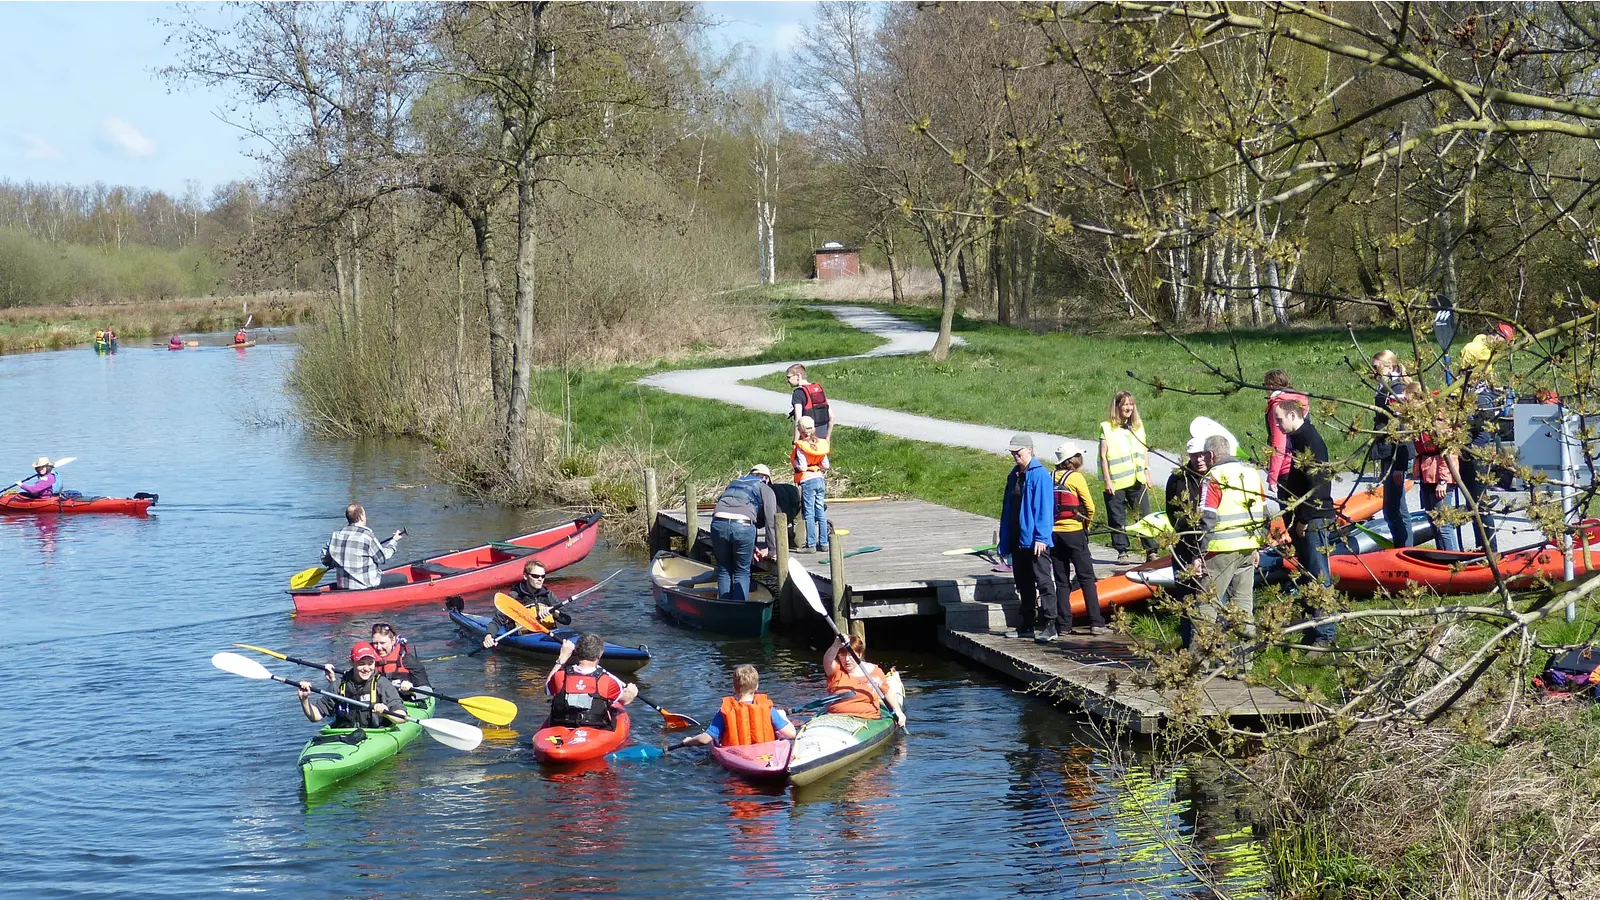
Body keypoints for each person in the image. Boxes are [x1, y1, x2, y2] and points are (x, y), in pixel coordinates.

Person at [1272, 401, 1337, 647]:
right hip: (1304, 516)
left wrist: (1304, 518)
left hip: (1314, 517)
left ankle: (1326, 635)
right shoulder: (1298, 438)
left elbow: (1318, 484)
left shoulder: (1309, 440)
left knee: (1319, 576)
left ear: (1292, 414)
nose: (1277, 424)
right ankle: (1312, 629)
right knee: (1308, 574)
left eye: (1280, 419)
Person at [1195, 435, 1270, 641]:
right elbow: (1264, 515)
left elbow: (1206, 518)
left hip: (1220, 551)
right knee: (1244, 606)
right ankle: (1244, 665)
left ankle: (1198, 666)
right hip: (1248, 548)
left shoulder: (1214, 477)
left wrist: (1199, 554)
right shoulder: (1252, 473)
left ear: (1210, 455)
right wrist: (1257, 547)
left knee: (1207, 606)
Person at [1000, 434, 1056, 640]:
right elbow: (1008, 508)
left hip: (1035, 540)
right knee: (1023, 582)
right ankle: (1026, 623)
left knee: (1042, 580)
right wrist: (1004, 540)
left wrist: (1042, 537)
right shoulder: (1013, 475)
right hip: (1017, 537)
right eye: (1013, 452)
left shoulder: (1040, 475)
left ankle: (1050, 624)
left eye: (1019, 451)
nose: (1015, 455)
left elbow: (1044, 508)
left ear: (1030, 450)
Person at [1049, 444, 1105, 636]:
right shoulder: (1076, 478)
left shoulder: (1049, 476)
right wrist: (1085, 527)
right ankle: (1096, 622)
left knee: (1061, 581)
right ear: (1074, 459)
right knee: (1086, 577)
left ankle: (1063, 625)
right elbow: (1090, 507)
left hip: (1054, 534)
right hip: (1074, 532)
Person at [676, 664, 797, 749]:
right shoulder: (768, 709)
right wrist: (783, 716)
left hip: (736, 755)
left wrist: (688, 742)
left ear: (734, 688)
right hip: (765, 754)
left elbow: (705, 739)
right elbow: (791, 734)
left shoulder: (725, 712)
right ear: (757, 687)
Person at [1100, 391, 1157, 563]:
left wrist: (1147, 472)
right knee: (1117, 517)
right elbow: (1103, 456)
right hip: (1116, 481)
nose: (1129, 408)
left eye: (1131, 404)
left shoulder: (1138, 427)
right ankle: (1122, 551)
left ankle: (1151, 551)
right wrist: (1107, 480)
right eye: (1125, 404)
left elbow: (1144, 450)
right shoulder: (1106, 427)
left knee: (1144, 516)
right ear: (1117, 406)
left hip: (1137, 479)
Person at [710, 465, 780, 604]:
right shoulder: (765, 488)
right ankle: (738, 611)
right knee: (742, 571)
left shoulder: (734, 483)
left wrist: (751, 545)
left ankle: (725, 609)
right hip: (743, 526)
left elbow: (723, 503)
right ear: (766, 478)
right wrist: (772, 550)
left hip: (718, 523)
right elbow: (771, 521)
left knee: (724, 569)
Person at [297, 642, 408, 728]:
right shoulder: (338, 685)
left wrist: (386, 713)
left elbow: (402, 717)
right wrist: (304, 699)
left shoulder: (382, 684)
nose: (367, 668)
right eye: (361, 664)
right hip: (346, 735)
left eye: (370, 663)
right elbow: (315, 717)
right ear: (352, 663)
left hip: (376, 733)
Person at [1404, 382, 1459, 551]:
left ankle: (1454, 559)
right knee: (1434, 522)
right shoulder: (1420, 421)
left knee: (1443, 524)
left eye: (1409, 401)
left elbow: (1448, 452)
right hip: (1427, 474)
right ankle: (1442, 560)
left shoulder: (1438, 421)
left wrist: (1443, 480)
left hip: (1440, 476)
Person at [1168, 436, 1211, 650]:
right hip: (1185, 546)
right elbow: (1175, 515)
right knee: (1186, 598)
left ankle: (1208, 647)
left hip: (1210, 548)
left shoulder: (1216, 477)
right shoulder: (1178, 479)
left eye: (1203, 455)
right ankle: (1188, 645)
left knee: (1208, 600)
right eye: (1195, 456)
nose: (1199, 460)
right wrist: (1192, 549)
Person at [545, 633, 638, 730]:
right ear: (600, 654)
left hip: (561, 726)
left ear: (576, 652)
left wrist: (562, 657)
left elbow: (547, 688)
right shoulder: (606, 681)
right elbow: (625, 700)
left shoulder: (560, 676)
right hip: (595, 729)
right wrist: (631, 691)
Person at [1370, 351, 1414, 549]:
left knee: (1396, 507)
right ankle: (1400, 546)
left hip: (1395, 453)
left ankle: (1405, 548)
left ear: (1389, 367)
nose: (1373, 371)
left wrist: (1399, 466)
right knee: (1391, 507)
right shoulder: (1384, 388)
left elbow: (1404, 429)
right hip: (1388, 451)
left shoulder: (1397, 390)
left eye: (1376, 367)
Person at [823, 634, 906, 727]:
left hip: (867, 719)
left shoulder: (874, 672)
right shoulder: (835, 670)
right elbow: (827, 661)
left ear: (859, 654)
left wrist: (898, 712)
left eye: (851, 655)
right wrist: (836, 645)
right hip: (837, 718)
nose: (847, 660)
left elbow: (886, 691)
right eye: (843, 655)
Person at [482, 559, 568, 649]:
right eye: (535, 576)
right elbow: (497, 621)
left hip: (549, 637)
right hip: (524, 638)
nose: (540, 579)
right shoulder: (515, 596)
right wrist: (489, 636)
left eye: (543, 576)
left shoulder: (548, 595)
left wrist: (554, 612)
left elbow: (567, 620)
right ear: (525, 576)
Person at [320, 503, 405, 590]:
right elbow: (382, 558)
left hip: (342, 586)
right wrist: (394, 542)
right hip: (366, 585)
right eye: (364, 515)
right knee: (402, 578)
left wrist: (334, 562)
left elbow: (324, 558)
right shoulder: (367, 536)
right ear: (361, 517)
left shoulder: (336, 535)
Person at [1263, 370, 1308, 494]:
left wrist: (1272, 477)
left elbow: (1279, 444)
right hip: (1303, 462)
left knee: (1287, 510)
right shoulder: (1300, 402)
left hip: (1286, 468)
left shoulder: (1278, 408)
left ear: (1271, 386)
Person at [792, 415, 831, 553]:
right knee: (820, 511)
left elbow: (802, 467)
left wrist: (795, 463)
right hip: (820, 479)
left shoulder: (801, 447)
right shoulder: (819, 444)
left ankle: (811, 545)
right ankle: (824, 543)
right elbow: (825, 465)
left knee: (809, 513)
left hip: (808, 481)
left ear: (800, 431)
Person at [368, 622, 431, 700]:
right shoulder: (366, 660)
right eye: (375, 643)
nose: (379, 647)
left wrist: (412, 691)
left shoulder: (407, 660)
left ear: (393, 640)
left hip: (405, 701)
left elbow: (428, 691)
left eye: (382, 643)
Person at [786, 364, 832, 440]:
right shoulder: (818, 389)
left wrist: (795, 442)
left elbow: (798, 419)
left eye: (789, 377)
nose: (787, 381)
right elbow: (832, 416)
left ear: (798, 376)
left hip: (807, 437)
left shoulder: (798, 393)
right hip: (822, 437)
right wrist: (828, 439)